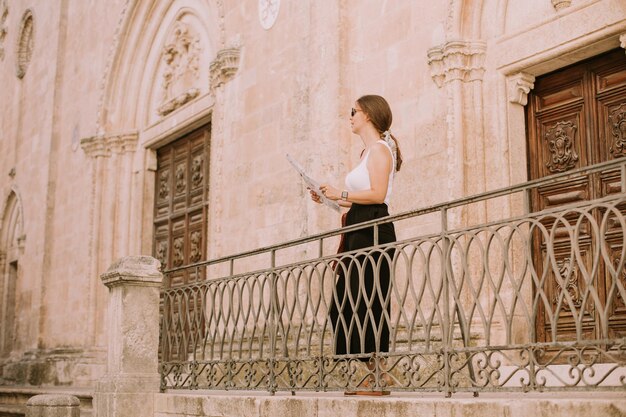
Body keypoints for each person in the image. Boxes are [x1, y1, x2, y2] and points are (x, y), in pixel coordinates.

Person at [310, 94, 402, 394]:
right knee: (347, 302)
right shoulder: (366, 153)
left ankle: (378, 375)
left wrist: (342, 194)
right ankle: (376, 373)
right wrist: (328, 198)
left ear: (369, 115)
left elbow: (377, 195)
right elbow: (352, 204)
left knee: (369, 299)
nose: (350, 116)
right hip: (358, 227)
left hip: (374, 230)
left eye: (354, 111)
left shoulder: (380, 150)